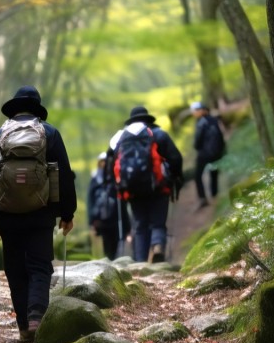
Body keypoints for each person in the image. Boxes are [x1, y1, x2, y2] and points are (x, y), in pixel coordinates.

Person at [0, 86, 76, 343]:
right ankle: (35, 318)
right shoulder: (50, 134)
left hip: (6, 214)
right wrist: (67, 212)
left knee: (15, 268)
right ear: (37, 109)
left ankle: (22, 327)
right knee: (40, 266)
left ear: (14, 109)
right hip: (42, 213)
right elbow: (64, 174)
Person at [112, 106, 182, 263]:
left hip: (132, 190)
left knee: (141, 224)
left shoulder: (122, 139)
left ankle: (141, 261)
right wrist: (175, 178)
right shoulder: (158, 135)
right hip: (159, 187)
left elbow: (113, 164)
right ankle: (157, 246)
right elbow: (175, 159)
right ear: (148, 119)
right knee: (158, 222)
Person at [86, 151, 130, 260]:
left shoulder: (115, 177)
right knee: (107, 241)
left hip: (114, 216)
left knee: (114, 240)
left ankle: (112, 259)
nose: (104, 164)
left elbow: (122, 202)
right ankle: (109, 259)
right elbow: (91, 199)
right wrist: (92, 219)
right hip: (102, 217)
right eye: (102, 162)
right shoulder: (96, 178)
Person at [190, 101, 226, 209]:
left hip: (204, 153)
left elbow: (198, 140)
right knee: (213, 172)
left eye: (195, 111)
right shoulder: (214, 120)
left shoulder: (201, 122)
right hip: (216, 152)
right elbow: (221, 136)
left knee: (197, 175)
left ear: (201, 110)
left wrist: (197, 147)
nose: (194, 113)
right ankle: (215, 196)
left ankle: (203, 198)